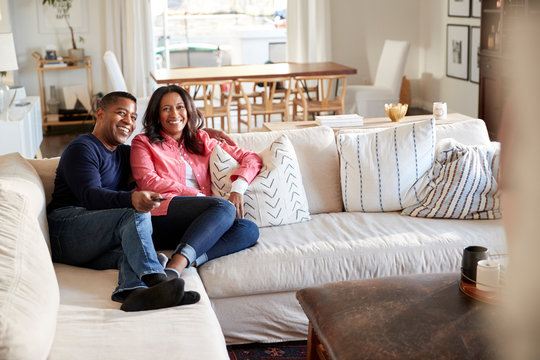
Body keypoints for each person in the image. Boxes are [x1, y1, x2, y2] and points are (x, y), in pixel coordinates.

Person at [47, 91, 228, 312]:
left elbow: (160, 149)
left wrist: (195, 132)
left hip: (95, 236)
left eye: (133, 117)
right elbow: (90, 197)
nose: (128, 121)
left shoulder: (123, 154)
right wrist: (131, 198)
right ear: (101, 114)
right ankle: (160, 282)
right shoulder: (82, 147)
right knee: (133, 212)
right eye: (121, 113)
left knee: (137, 250)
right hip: (66, 230)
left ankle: (133, 293)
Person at [130, 84, 262, 276]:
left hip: (200, 222)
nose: (174, 114)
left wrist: (238, 188)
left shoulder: (201, 139)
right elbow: (148, 182)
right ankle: (175, 266)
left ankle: (190, 259)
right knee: (224, 208)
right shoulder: (143, 142)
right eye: (166, 109)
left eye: (180, 107)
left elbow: (252, 158)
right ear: (157, 115)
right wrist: (198, 196)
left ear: (189, 110)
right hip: (161, 216)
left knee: (249, 229)